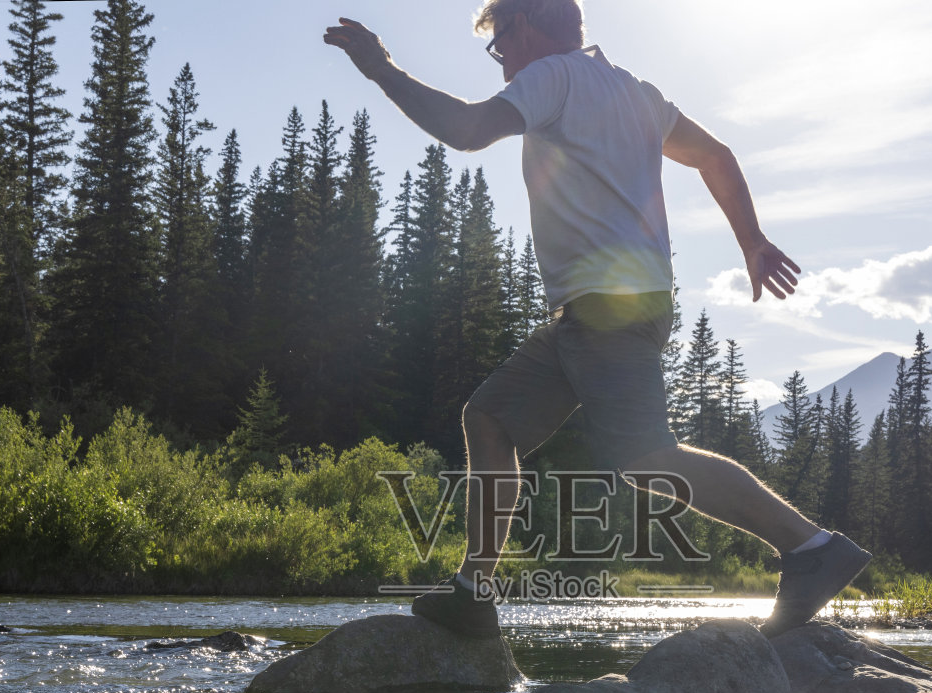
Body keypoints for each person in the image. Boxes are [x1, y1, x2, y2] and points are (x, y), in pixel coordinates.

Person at [324, 0, 869, 639]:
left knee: (644, 458)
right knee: (491, 417)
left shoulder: (551, 75)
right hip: (598, 311)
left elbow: (470, 132)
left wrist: (382, 69)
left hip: (608, 307)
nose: (502, 66)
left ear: (527, 26)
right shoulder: (635, 92)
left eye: (500, 45)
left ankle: (810, 548)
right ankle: (474, 592)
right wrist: (751, 241)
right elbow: (716, 156)